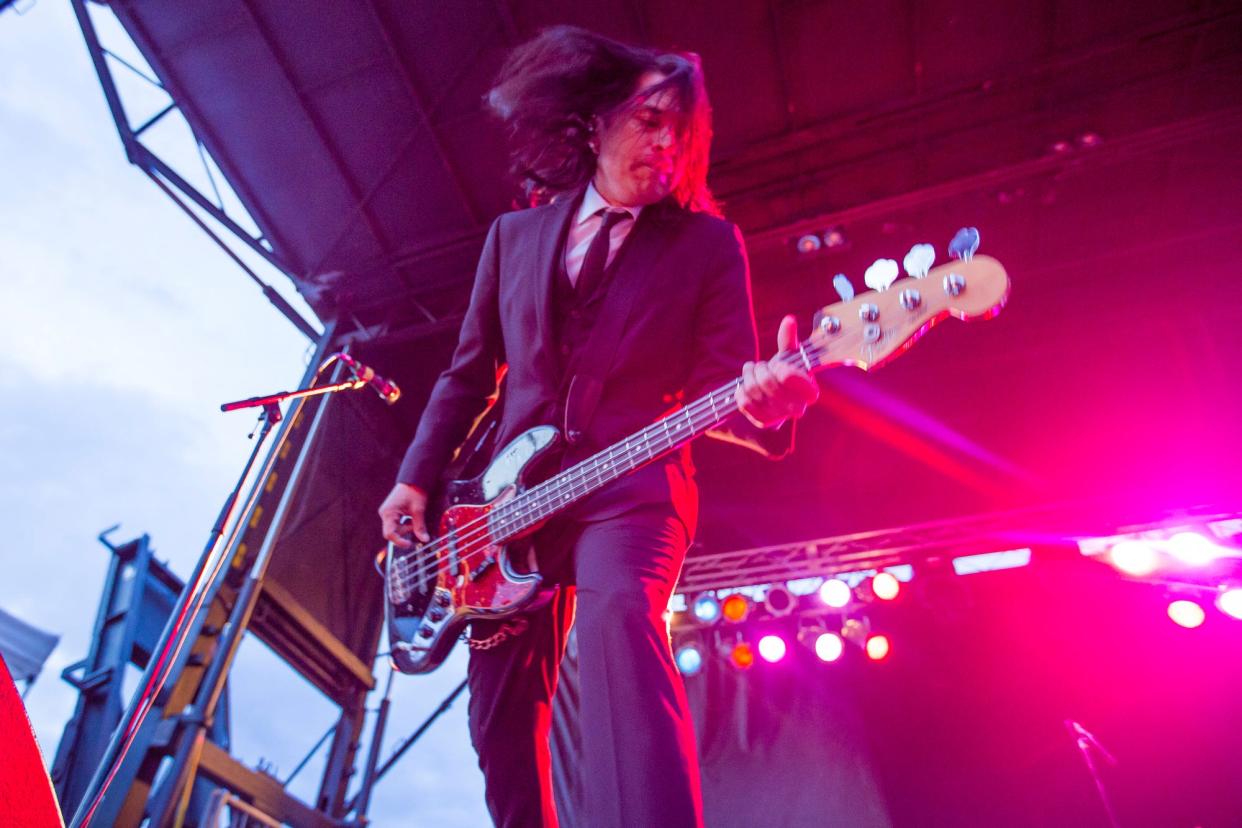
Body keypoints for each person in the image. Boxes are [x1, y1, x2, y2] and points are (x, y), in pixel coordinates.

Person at [378, 26, 818, 828]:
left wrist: (768, 403)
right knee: (501, 725)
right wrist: (415, 474)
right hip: (499, 507)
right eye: (650, 120)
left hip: (632, 489)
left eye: (681, 132)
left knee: (620, 622)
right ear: (596, 123)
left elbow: (728, 385)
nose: (666, 143)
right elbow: (469, 372)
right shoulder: (514, 237)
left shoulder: (708, 247)